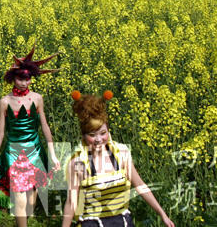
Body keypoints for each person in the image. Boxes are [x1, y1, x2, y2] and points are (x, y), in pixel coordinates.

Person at [62, 91, 175, 227]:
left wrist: (162, 214)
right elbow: (71, 202)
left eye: (103, 133)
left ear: (108, 131)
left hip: (122, 222)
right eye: (92, 135)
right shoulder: (77, 163)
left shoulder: (121, 153)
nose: (98, 140)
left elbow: (140, 185)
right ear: (84, 135)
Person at [0, 46, 61, 227]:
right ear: (13, 78)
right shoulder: (5, 101)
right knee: (19, 197)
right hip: (13, 152)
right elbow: (0, 132)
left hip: (35, 151)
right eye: (20, 78)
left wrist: (52, 155)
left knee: (30, 202)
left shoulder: (37, 98)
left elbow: (44, 126)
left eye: (27, 79)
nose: (23, 83)